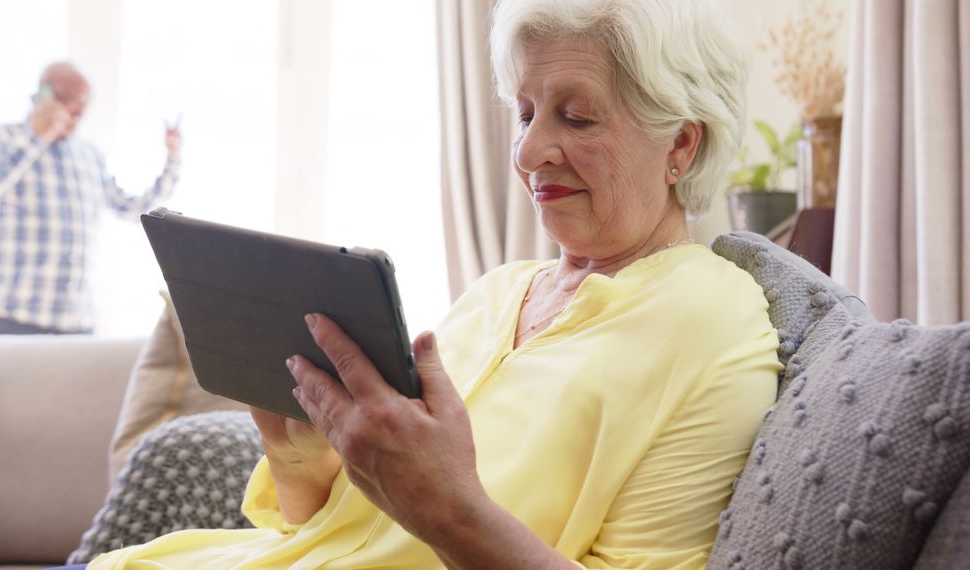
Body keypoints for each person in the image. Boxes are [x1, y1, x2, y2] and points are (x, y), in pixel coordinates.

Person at [86, 0, 778, 567]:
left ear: (681, 146)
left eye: (577, 116)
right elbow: (331, 531)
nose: (529, 153)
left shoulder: (714, 323)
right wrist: (304, 459)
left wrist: (447, 509)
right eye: (527, 113)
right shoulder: (498, 292)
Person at [0, 61, 182, 335]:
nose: (77, 109)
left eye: (82, 104)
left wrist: (173, 160)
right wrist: (36, 137)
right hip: (11, 321)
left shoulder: (90, 155)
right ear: (43, 95)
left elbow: (133, 210)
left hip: (77, 326)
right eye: (69, 99)